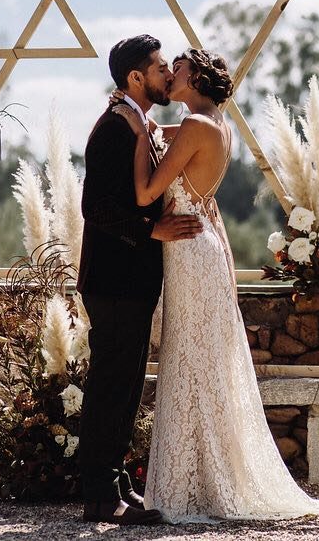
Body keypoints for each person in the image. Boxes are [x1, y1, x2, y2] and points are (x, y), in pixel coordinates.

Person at [111, 48, 319, 522]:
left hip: (187, 249)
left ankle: (195, 484)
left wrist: (131, 148)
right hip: (198, 245)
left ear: (198, 79)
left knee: (190, 360)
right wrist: (136, 122)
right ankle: (206, 477)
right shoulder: (212, 125)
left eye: (179, 69)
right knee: (198, 360)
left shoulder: (194, 127)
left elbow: (147, 191)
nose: (171, 75)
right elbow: (161, 143)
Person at [76, 34, 202, 526]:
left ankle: (118, 484)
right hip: (112, 280)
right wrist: (154, 229)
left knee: (127, 384)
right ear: (136, 78)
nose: (167, 75)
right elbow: (96, 208)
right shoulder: (112, 127)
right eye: (157, 68)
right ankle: (100, 498)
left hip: (131, 279)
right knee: (111, 384)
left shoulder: (136, 120)